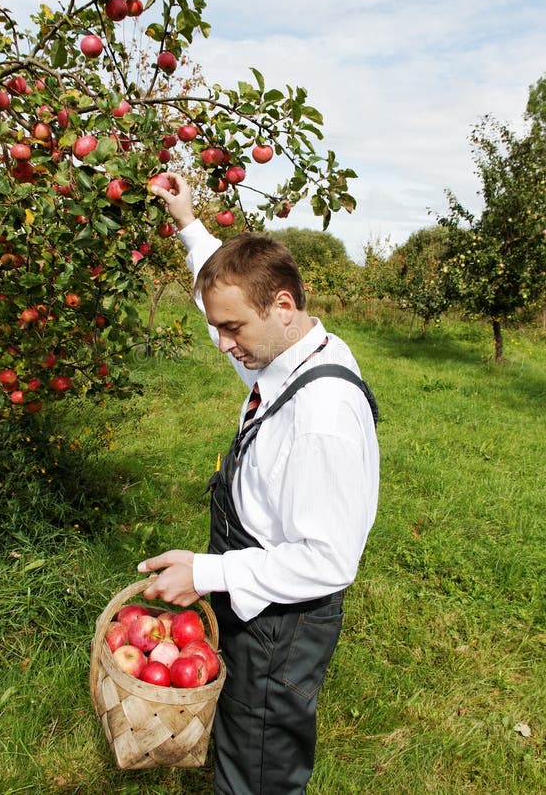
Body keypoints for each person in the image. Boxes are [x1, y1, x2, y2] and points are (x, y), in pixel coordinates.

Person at [138, 172, 379, 794]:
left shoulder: (320, 415)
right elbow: (222, 299)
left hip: (283, 618)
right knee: (241, 738)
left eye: (232, 330)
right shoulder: (283, 351)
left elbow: (327, 560)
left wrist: (207, 571)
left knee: (260, 760)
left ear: (283, 307)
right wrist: (189, 224)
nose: (221, 344)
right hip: (257, 591)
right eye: (219, 326)